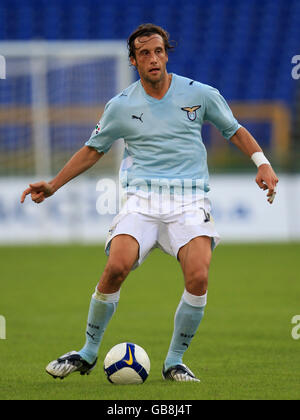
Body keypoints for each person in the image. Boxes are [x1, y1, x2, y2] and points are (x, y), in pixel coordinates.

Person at [20, 23, 278, 382]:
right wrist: (53, 185)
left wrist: (262, 163)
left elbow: (233, 129)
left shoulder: (200, 94)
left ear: (166, 54)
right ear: (134, 61)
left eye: (158, 51)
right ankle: (88, 352)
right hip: (142, 199)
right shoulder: (121, 106)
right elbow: (93, 149)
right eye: (144, 53)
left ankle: (174, 361)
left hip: (189, 200)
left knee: (199, 275)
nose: (153, 58)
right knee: (115, 267)